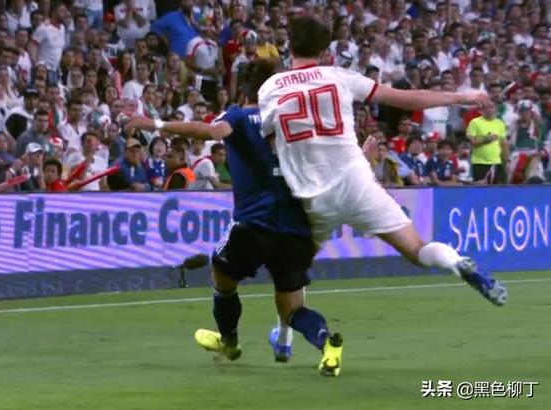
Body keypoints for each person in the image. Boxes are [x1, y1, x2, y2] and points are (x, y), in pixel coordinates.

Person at [257, 16, 508, 375]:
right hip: (358, 179)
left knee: (289, 278)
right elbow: (405, 98)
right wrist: (462, 96)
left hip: (311, 199)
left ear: (288, 47)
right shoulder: (341, 77)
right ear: (326, 52)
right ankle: (457, 262)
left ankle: (283, 339)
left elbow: (268, 139)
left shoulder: (270, 88)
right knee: (417, 249)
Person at [125, 60, 336, 376]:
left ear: (245, 89)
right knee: (293, 307)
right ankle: (327, 343)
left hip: (253, 223)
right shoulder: (294, 119)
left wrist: (154, 124)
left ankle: (229, 341)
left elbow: (211, 130)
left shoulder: (239, 115)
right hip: (293, 228)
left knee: (222, 277)